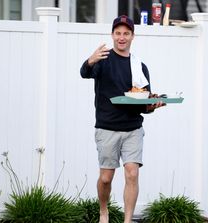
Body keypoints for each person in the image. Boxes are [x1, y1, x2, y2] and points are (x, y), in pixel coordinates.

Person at [80, 15, 164, 223]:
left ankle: (127, 220)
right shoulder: (102, 60)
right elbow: (84, 73)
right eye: (118, 33)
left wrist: (153, 106)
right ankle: (103, 210)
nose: (122, 37)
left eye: (126, 33)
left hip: (133, 128)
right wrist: (90, 60)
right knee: (106, 178)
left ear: (132, 36)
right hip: (107, 128)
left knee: (132, 173)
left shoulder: (139, 66)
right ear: (112, 35)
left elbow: (144, 104)